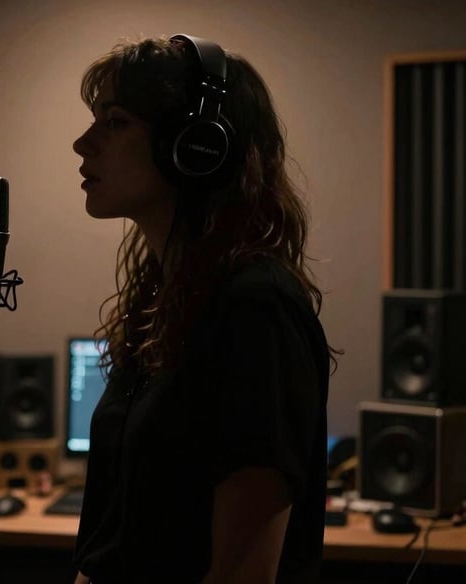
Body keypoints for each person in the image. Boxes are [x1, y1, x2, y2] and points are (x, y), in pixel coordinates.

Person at [70, 34, 338, 584]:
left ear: (194, 146)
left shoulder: (256, 309)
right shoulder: (162, 304)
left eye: (115, 123)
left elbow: (243, 575)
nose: (82, 143)